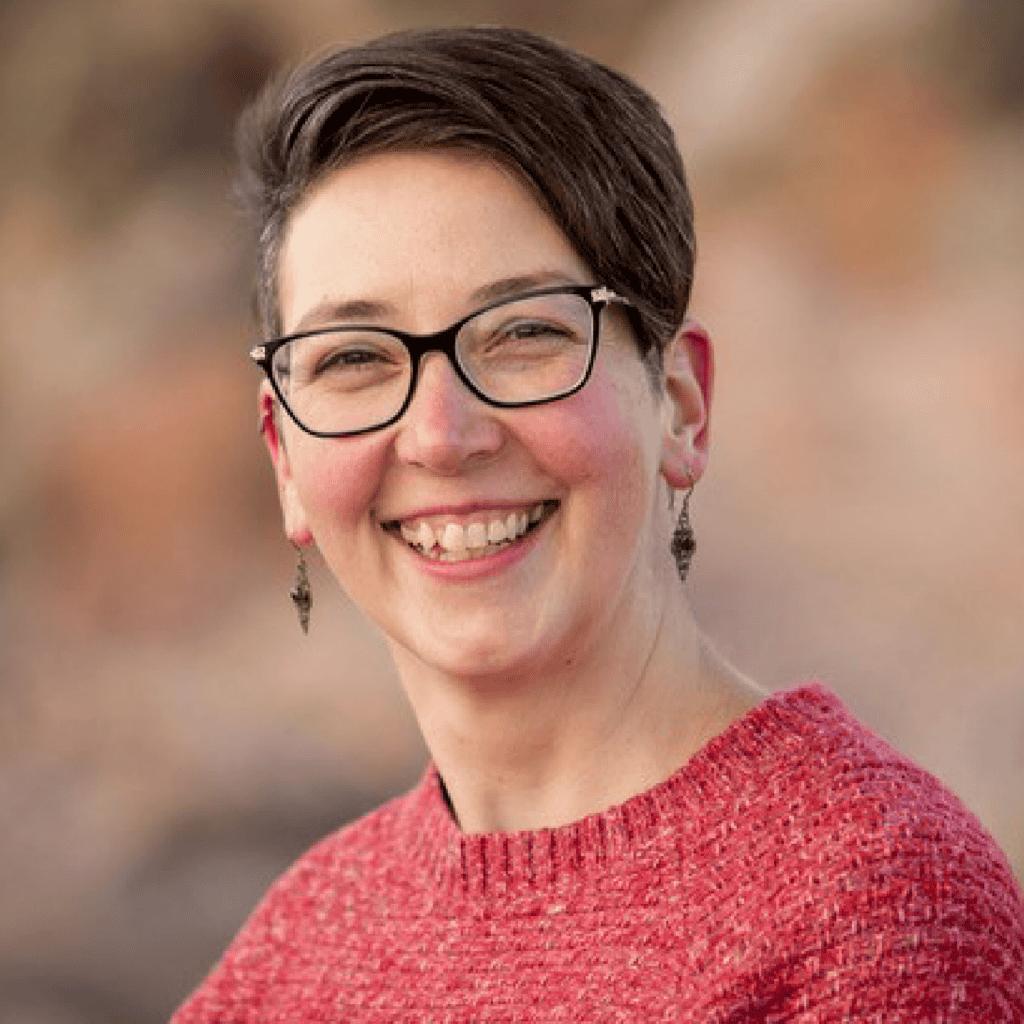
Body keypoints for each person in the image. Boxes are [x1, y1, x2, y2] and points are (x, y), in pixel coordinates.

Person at [172, 26, 1024, 1022]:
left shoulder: (875, 904)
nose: (441, 436)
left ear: (680, 405)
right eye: (354, 357)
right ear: (283, 456)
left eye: (525, 334)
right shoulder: (294, 953)